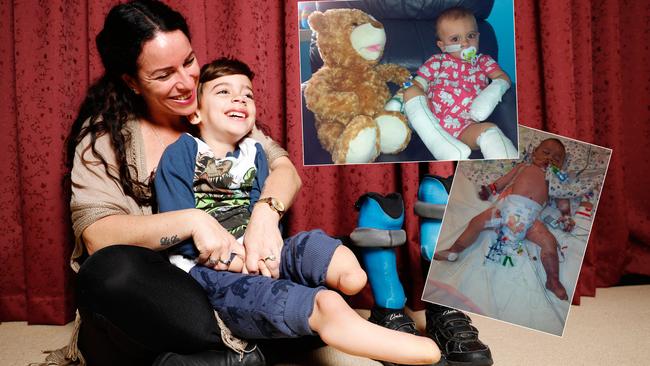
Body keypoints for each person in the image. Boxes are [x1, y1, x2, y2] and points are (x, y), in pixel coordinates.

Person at [154, 57, 441, 365]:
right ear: (196, 112)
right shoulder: (182, 151)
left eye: (247, 94)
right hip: (207, 267)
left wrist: (265, 253)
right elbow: (178, 223)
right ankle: (340, 321)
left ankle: (348, 279)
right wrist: (234, 260)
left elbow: (263, 217)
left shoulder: (256, 154)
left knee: (319, 248)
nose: (240, 98)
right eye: (224, 92)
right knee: (313, 301)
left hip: (257, 249)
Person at [61, 1, 301, 365]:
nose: (188, 82)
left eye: (189, 62)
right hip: (164, 290)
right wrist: (193, 220)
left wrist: (265, 218)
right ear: (131, 82)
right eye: (164, 74)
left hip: (236, 273)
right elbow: (97, 235)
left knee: (324, 257)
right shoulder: (105, 139)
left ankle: (223, 354)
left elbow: (285, 170)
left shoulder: (216, 110)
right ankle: (249, 345)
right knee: (108, 275)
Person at [434, 138, 573, 300]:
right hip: (505, 211)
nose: (549, 159)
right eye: (546, 152)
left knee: (549, 241)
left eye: (556, 159)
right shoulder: (523, 167)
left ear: (561, 166)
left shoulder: (555, 180)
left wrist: (566, 215)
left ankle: (553, 280)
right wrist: (489, 190)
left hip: (530, 221)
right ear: (535, 152)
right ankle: (454, 250)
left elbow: (562, 199)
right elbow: (502, 182)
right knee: (476, 222)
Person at [398, 6, 518, 161]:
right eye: (455, 39)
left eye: (471, 36)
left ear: (478, 37)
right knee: (411, 91)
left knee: (491, 131)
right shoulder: (437, 61)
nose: (465, 44)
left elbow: (503, 77)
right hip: (431, 118)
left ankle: (507, 166)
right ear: (442, 46)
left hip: (466, 127)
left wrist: (491, 94)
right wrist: (411, 90)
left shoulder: (483, 61)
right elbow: (419, 84)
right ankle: (438, 141)